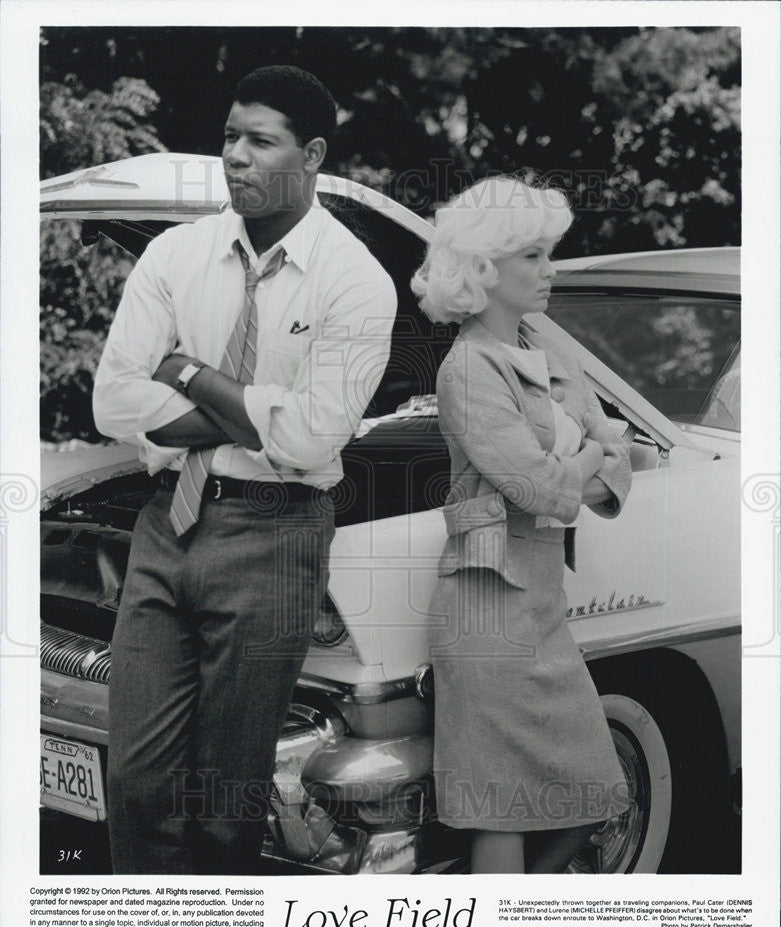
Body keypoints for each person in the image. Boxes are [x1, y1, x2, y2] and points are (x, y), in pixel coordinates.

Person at [93, 65, 397, 874]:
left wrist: (189, 373)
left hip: (276, 535)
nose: (234, 156)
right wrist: (252, 408)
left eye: (259, 141)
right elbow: (113, 405)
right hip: (166, 523)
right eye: (229, 137)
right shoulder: (175, 254)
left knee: (226, 797)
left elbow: (307, 441)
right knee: (135, 781)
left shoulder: (355, 280)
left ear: (312, 155)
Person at [411, 176, 632, 874]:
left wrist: (586, 460)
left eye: (548, 255)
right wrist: (592, 454)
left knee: (594, 796)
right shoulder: (468, 367)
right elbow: (538, 485)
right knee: (500, 810)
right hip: (484, 608)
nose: (550, 270)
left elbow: (609, 463)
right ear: (483, 268)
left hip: (539, 604)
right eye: (533, 257)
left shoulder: (547, 349)